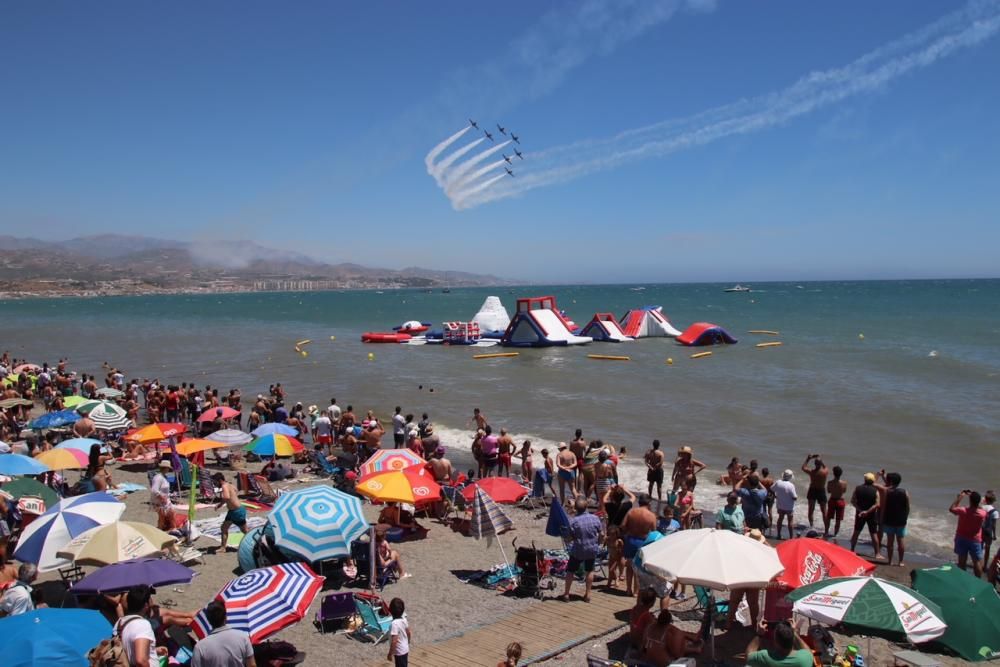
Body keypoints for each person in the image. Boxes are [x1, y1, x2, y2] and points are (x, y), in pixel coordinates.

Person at [559, 497, 604, 603]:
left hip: (578, 549)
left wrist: (568, 538)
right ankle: (588, 594)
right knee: (589, 570)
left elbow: (569, 538)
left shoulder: (573, 521)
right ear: (586, 507)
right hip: (592, 548)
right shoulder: (595, 518)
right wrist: (599, 542)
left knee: (570, 571)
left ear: (575, 508)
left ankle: (566, 594)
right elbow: (601, 534)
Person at [191, 600, 255, 667]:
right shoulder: (243, 637)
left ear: (208, 620)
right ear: (226, 617)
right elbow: (251, 665)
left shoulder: (200, 647)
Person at [621, 494, 657, 596]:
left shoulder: (631, 512)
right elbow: (654, 532)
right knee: (639, 568)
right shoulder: (651, 516)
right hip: (643, 542)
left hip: (631, 540)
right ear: (649, 503)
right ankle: (636, 591)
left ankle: (628, 590)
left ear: (639, 502)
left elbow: (623, 526)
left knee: (629, 566)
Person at [118, 585, 162, 667]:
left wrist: (154, 650)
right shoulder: (142, 625)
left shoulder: (120, 622)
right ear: (146, 605)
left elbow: (130, 650)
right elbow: (140, 660)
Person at [950, 489, 987, 577]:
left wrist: (960, 497)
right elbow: (980, 507)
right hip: (975, 540)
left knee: (962, 561)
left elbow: (952, 509)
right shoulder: (982, 513)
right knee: (976, 562)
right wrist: (974, 498)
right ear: (978, 502)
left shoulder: (963, 510)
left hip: (962, 537)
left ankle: (963, 579)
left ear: (970, 500)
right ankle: (978, 580)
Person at [744, 621, 813, 667]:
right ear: (792, 639)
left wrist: (759, 634)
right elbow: (808, 651)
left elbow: (748, 655)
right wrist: (794, 633)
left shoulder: (764, 657)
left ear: (776, 641)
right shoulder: (804, 659)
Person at [880, 472, 910, 566]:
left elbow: (883, 506)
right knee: (900, 540)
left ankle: (890, 561)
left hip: (889, 519)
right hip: (901, 520)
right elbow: (908, 507)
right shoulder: (905, 491)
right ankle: (900, 561)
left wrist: (881, 519)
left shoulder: (886, 491)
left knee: (890, 541)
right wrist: (905, 517)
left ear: (891, 481)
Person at [213, 473, 247, 552]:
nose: (215, 484)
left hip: (237, 511)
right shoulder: (229, 484)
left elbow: (227, 497)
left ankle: (256, 543)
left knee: (245, 531)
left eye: (215, 482)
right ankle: (223, 548)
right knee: (224, 528)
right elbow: (236, 490)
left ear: (220, 480)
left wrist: (219, 505)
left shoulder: (224, 486)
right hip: (232, 511)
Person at [849, 473, 881, 557]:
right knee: (873, 533)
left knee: (856, 532)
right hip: (871, 514)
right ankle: (877, 554)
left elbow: (852, 501)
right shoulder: (875, 490)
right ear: (873, 481)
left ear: (865, 480)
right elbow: (877, 504)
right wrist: (867, 512)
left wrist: (861, 510)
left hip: (859, 514)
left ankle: (852, 549)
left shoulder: (858, 488)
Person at [801, 454, 828, 528]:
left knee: (811, 510)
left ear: (815, 464)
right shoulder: (825, 472)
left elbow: (803, 467)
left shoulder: (812, 472)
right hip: (821, 491)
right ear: (820, 464)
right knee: (824, 511)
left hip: (812, 490)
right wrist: (821, 461)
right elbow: (825, 467)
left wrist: (808, 459)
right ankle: (826, 528)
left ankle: (812, 526)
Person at [823, 465, 848, 539]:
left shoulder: (830, 482)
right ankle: (835, 534)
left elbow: (829, 491)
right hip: (840, 500)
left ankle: (826, 532)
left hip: (833, 500)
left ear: (833, 473)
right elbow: (844, 491)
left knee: (828, 517)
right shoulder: (844, 483)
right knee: (838, 520)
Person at [773, 470, 797, 540]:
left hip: (780, 505)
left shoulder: (778, 482)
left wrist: (775, 496)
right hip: (789, 506)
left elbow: (772, 489)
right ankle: (791, 537)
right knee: (790, 521)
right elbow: (794, 497)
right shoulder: (791, 485)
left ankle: (778, 535)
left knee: (780, 519)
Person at [387, 597, 411, 667]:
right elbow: (409, 632)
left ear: (390, 611)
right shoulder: (404, 620)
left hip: (399, 651)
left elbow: (394, 641)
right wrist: (408, 641)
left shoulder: (394, 624)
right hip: (405, 648)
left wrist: (390, 653)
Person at [982, 490, 998, 566]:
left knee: (980, 548)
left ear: (985, 499)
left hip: (980, 531)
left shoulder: (981, 507)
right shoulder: (995, 512)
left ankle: (978, 562)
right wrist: (994, 535)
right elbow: (994, 525)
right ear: (993, 501)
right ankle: (985, 565)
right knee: (987, 550)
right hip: (988, 532)